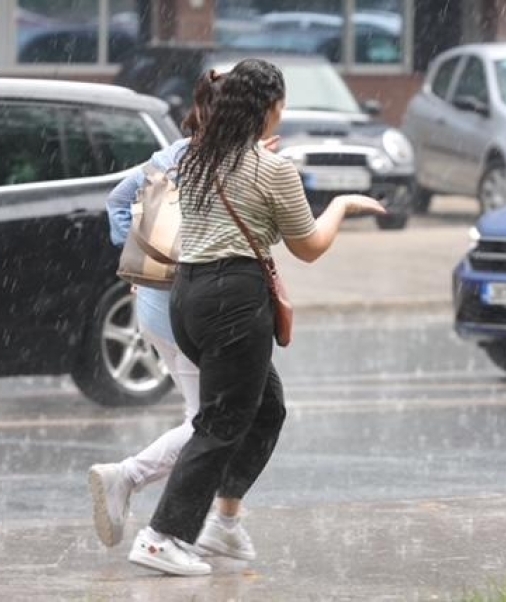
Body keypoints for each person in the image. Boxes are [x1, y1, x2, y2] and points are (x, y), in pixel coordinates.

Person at [126, 58, 386, 576]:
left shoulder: (198, 157)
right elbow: (309, 246)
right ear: (267, 109)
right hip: (233, 300)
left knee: (265, 408)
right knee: (220, 423)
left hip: (190, 296)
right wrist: (341, 206)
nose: (282, 116)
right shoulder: (272, 168)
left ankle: (223, 523)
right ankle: (163, 536)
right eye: (281, 107)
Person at [89, 69, 274, 561]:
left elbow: (118, 200)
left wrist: (142, 255)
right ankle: (130, 483)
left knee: (233, 413)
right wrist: (170, 260)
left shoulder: (174, 155)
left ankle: (221, 522)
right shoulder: (211, 160)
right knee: (209, 423)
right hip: (195, 308)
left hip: (160, 303)